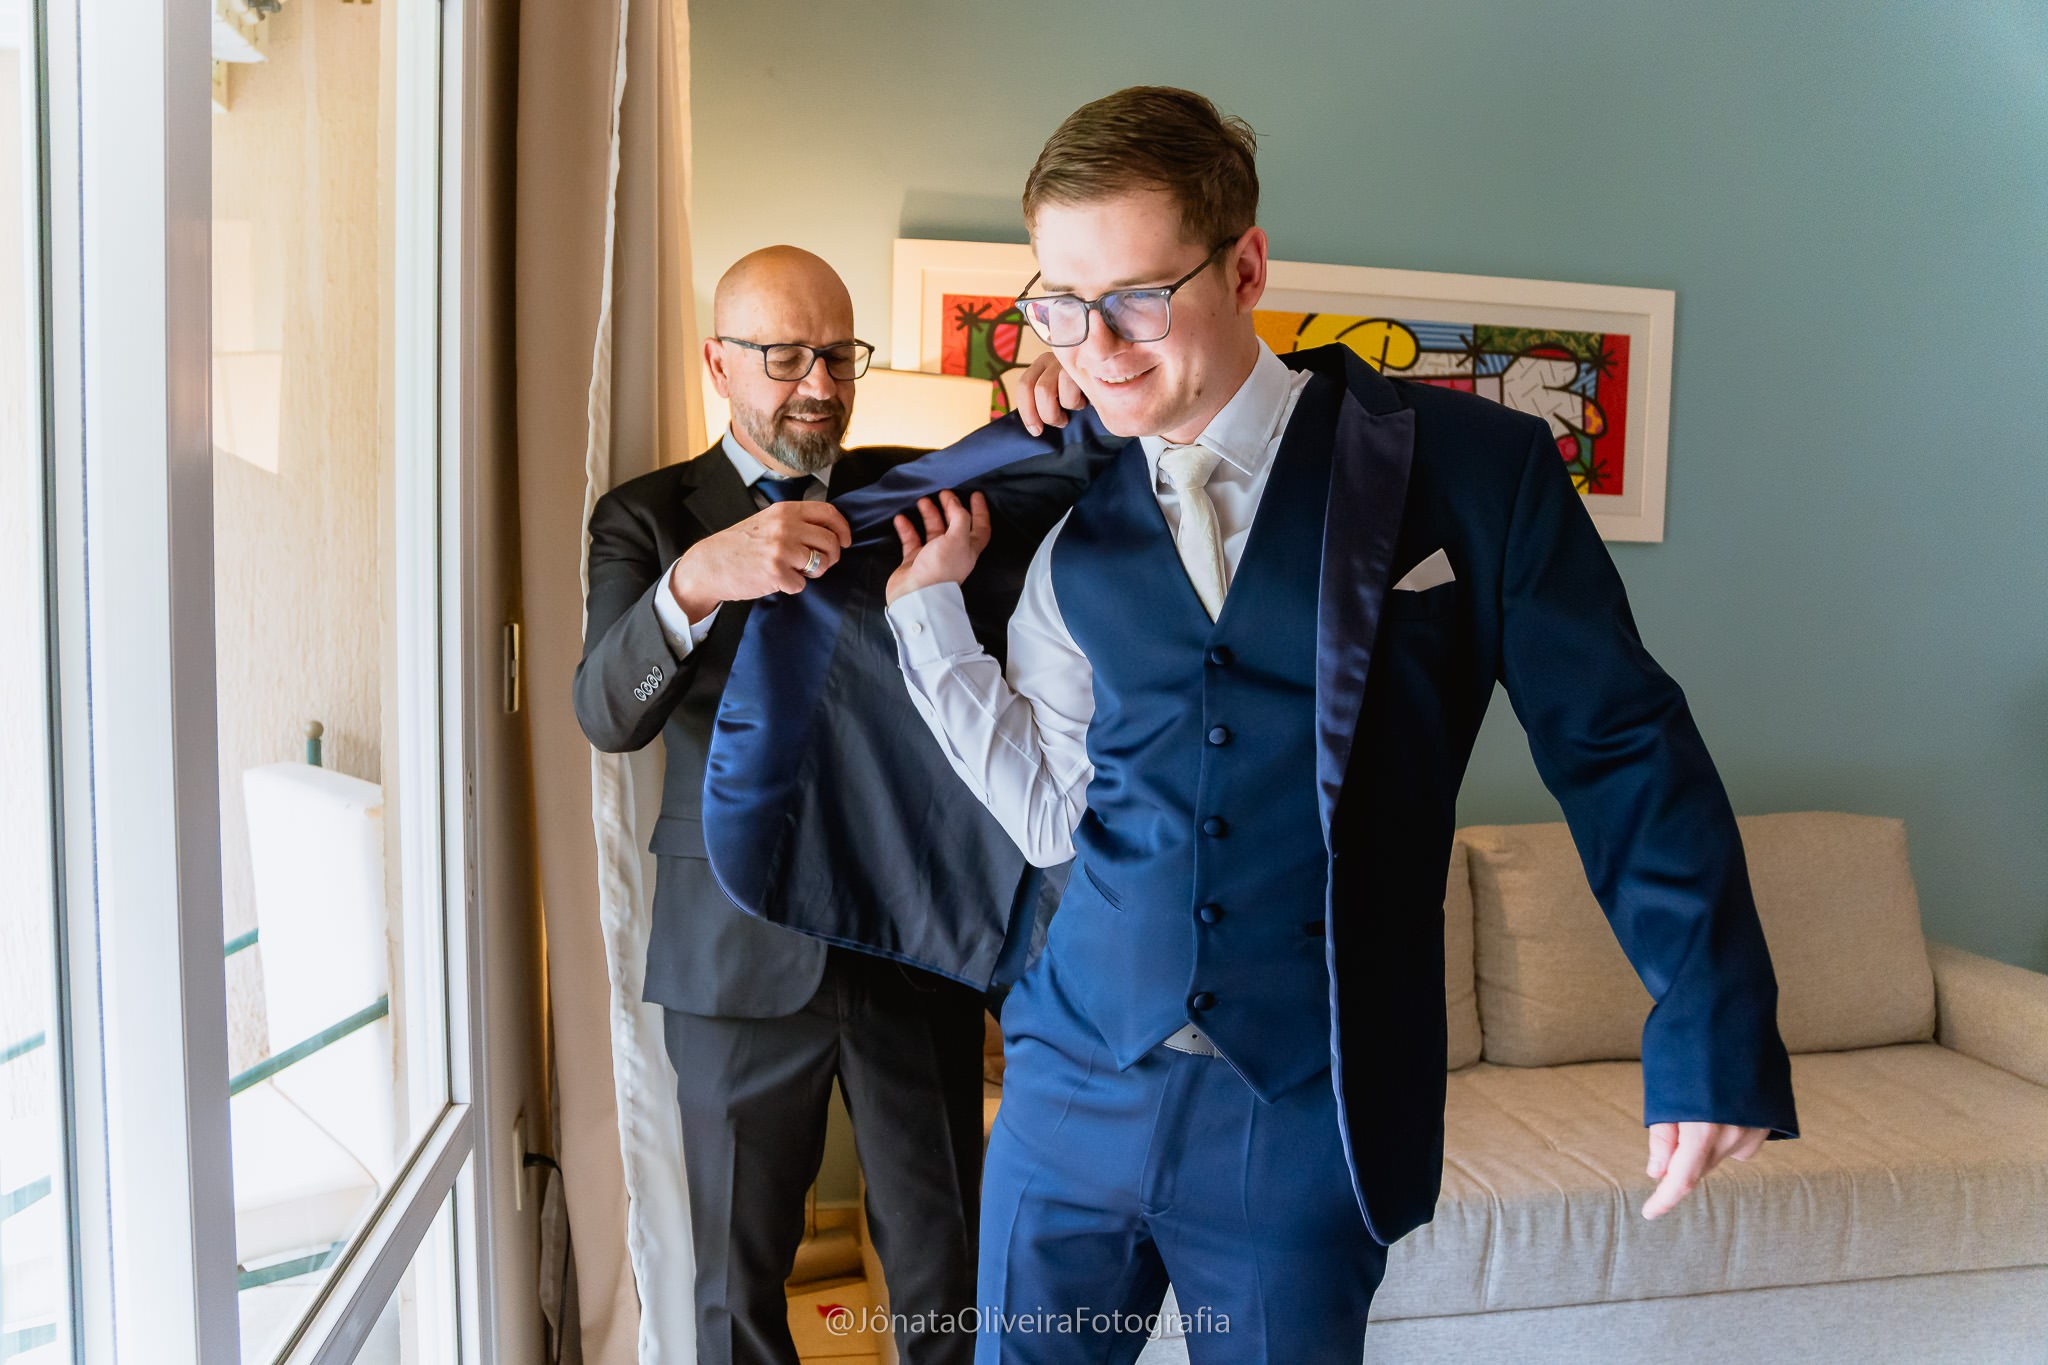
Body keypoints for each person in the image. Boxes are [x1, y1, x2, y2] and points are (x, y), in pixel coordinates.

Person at [881, 87, 1799, 1362]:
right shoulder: (1056, 485)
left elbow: (1619, 742)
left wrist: (1704, 1015)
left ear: (1246, 265)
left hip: (1298, 1110)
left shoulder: (1467, 469)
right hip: (1064, 1082)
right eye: (1060, 304)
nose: (1096, 348)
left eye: (1137, 297)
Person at [573, 246, 983, 1365]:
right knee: (733, 1291)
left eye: (838, 355)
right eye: (785, 355)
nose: (818, 384)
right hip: (733, 956)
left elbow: (1054, 473)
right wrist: (699, 579)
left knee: (950, 1275)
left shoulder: (918, 492)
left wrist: (1049, 393)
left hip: (911, 942)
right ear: (718, 362)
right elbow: (607, 715)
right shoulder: (650, 518)